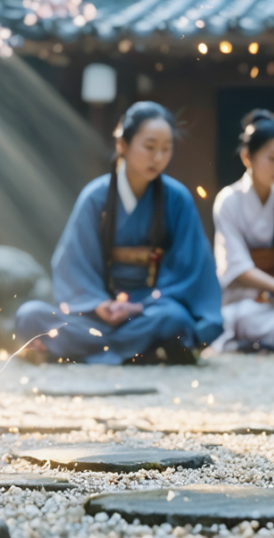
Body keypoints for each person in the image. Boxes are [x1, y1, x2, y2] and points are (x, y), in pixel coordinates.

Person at [15, 101, 221, 364]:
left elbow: (189, 269)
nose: (157, 158)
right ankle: (136, 351)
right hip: (96, 315)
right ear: (122, 144)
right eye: (149, 147)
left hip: (149, 313)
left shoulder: (177, 198)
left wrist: (140, 306)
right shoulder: (95, 197)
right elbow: (74, 265)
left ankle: (88, 350)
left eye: (166, 149)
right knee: (30, 315)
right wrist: (99, 304)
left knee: (174, 319)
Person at [210, 110, 274, 352]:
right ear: (248, 156)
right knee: (246, 317)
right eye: (272, 157)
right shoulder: (228, 201)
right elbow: (238, 267)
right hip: (241, 300)